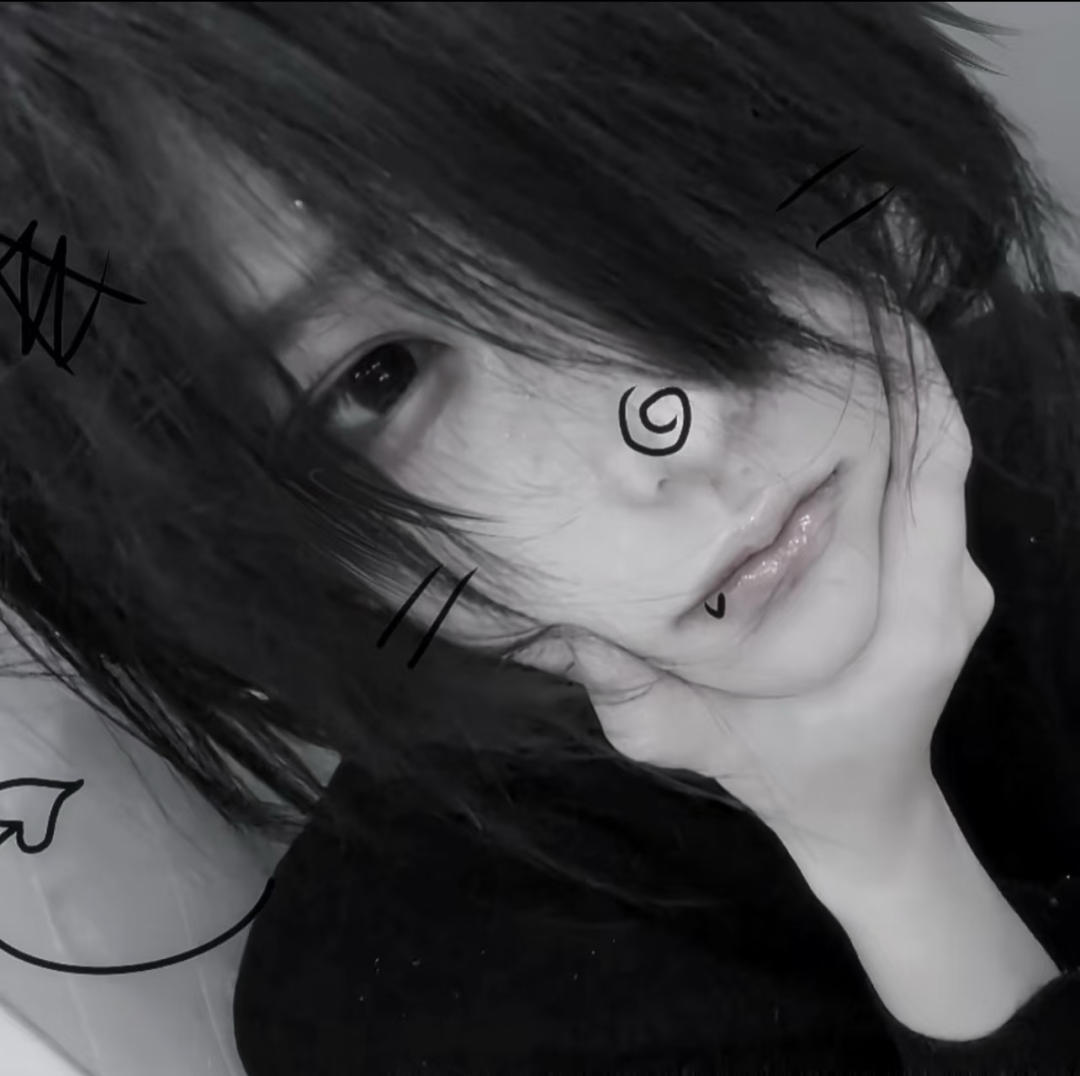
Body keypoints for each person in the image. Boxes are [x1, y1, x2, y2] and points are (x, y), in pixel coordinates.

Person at [2, 3, 1079, 1072]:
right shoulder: (405, 1008)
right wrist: (887, 857)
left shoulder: (1049, 396)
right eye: (380, 377)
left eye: (606, 176)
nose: (675, 422)